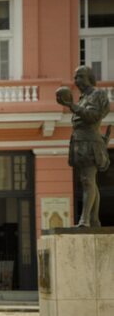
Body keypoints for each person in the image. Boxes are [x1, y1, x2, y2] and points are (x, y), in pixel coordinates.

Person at [56, 65, 110, 227]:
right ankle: (93, 219)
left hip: (89, 143)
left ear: (89, 78)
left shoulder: (97, 94)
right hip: (81, 143)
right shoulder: (83, 98)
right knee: (89, 181)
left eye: (80, 77)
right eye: (75, 77)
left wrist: (71, 106)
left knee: (88, 180)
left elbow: (93, 116)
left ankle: (84, 220)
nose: (76, 81)